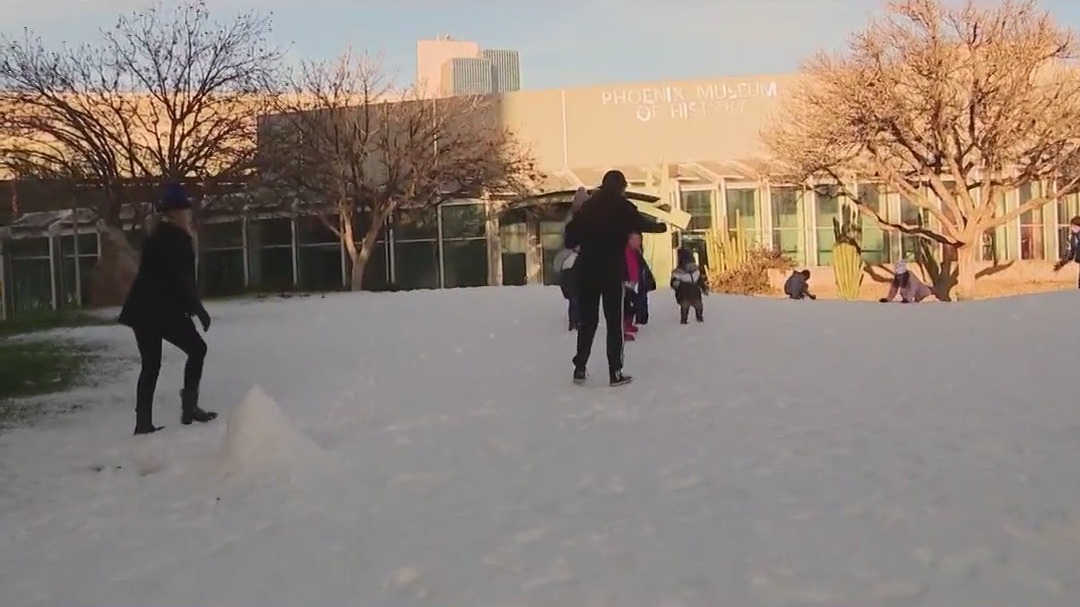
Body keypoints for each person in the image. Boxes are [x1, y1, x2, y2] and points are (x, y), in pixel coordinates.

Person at [119, 183, 217, 435]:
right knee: (197, 348)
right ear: (177, 213)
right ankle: (189, 407)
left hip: (142, 308)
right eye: (186, 209)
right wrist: (197, 309)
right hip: (160, 309)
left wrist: (190, 307)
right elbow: (181, 279)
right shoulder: (178, 238)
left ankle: (143, 422)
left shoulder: (156, 235)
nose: (189, 214)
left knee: (150, 364)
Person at [565, 170, 667, 386]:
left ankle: (580, 367)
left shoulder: (588, 207)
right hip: (611, 272)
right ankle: (615, 372)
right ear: (621, 187)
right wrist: (662, 225)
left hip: (587, 271)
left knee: (587, 322)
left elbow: (570, 236)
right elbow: (643, 223)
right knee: (614, 323)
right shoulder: (623, 207)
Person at [553, 188, 589, 330]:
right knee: (579, 292)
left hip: (574, 259)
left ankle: (576, 320)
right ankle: (578, 319)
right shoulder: (585, 219)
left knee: (576, 293)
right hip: (578, 259)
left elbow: (566, 239)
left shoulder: (571, 220)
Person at [670, 247, 708, 323]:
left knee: (692, 304)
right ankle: (696, 317)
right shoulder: (693, 271)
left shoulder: (681, 272)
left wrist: (675, 284)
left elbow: (699, 280)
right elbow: (699, 281)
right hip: (687, 290)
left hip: (686, 290)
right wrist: (703, 288)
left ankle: (691, 318)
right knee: (693, 304)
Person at [1053, 215, 1080, 287]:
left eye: (1073, 226)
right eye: (1071, 226)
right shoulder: (1073, 237)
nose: (1072, 228)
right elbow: (1070, 254)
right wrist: (1061, 263)